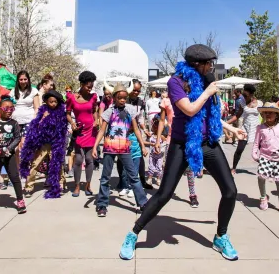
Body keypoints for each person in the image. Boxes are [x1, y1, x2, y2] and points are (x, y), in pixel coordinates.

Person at [118, 44, 246, 261]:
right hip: (182, 144)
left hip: (208, 144)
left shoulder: (206, 79)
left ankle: (221, 236)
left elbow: (208, 114)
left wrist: (231, 128)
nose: (211, 67)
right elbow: (189, 109)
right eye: (209, 64)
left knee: (230, 190)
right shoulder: (176, 82)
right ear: (197, 64)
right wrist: (207, 92)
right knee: (164, 194)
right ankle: (133, 233)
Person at [92, 83, 148, 217]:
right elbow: (102, 131)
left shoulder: (130, 110)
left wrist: (142, 145)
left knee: (133, 176)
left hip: (124, 147)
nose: (122, 100)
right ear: (114, 97)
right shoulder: (109, 111)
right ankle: (102, 204)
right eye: (120, 97)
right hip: (110, 147)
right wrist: (95, 146)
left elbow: (136, 129)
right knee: (105, 177)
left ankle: (143, 203)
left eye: (124, 97)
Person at [155, 88, 199, 207]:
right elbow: (161, 121)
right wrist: (158, 140)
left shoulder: (190, 98)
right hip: (172, 138)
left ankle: (192, 194)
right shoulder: (166, 101)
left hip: (189, 138)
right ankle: (163, 192)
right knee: (167, 167)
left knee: (189, 169)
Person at [20, 91, 68, 198]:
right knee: (35, 163)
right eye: (51, 102)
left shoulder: (61, 113)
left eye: (55, 102)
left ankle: (60, 184)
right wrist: (43, 118)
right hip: (43, 142)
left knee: (57, 164)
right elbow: (35, 126)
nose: (53, 104)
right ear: (46, 102)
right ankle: (29, 186)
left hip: (56, 142)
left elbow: (63, 128)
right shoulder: (42, 111)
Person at [252, 102, 279, 215]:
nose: (268, 115)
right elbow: (256, 142)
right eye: (266, 113)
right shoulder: (260, 128)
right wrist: (254, 154)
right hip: (264, 156)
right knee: (261, 177)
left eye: (271, 113)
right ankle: (263, 197)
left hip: (278, 157)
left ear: (277, 115)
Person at [66, 71, 98, 197]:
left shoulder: (93, 97)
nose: (90, 89)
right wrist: (72, 123)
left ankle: (88, 185)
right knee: (78, 159)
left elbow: (94, 111)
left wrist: (97, 120)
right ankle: (77, 185)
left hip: (91, 130)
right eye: (88, 86)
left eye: (91, 86)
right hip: (79, 130)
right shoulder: (71, 98)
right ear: (81, 84)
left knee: (90, 159)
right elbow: (67, 113)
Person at [231, 84, 259, 175]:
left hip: (257, 129)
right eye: (243, 95)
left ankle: (266, 167)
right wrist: (225, 123)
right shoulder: (242, 103)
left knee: (263, 150)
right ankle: (234, 168)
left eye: (246, 95)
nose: (244, 97)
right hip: (246, 128)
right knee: (239, 149)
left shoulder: (259, 103)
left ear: (251, 95)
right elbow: (237, 116)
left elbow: (265, 116)